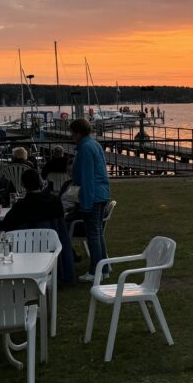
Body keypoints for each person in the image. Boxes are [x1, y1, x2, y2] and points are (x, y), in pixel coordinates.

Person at [70, 117, 110, 282]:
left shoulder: (85, 148)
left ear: (78, 133)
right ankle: (104, 268)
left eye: (72, 133)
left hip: (92, 196)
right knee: (98, 233)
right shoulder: (94, 144)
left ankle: (96, 271)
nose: (72, 136)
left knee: (93, 234)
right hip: (101, 194)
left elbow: (87, 177)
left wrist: (85, 204)